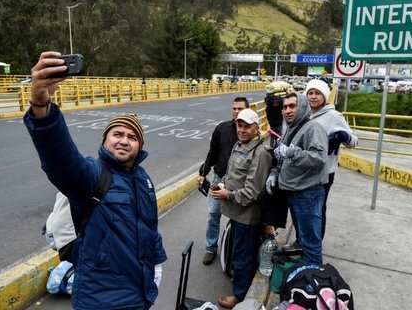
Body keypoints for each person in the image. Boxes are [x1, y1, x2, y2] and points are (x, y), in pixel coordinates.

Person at [24, 51, 166, 310]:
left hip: (140, 294)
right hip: (100, 299)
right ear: (104, 140)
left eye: (132, 137)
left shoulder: (143, 179)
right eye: (117, 133)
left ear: (140, 146)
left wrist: (156, 265)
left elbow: (150, 228)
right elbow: (60, 159)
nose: (124, 140)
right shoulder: (91, 174)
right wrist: (41, 106)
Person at [210, 108, 272, 309]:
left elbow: (253, 192)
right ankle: (240, 284)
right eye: (240, 125)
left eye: (247, 126)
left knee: (242, 255)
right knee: (237, 251)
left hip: (247, 216)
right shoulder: (239, 145)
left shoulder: (260, 153)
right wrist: (222, 185)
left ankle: (239, 295)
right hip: (235, 213)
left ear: (257, 129)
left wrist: (227, 194)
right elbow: (232, 174)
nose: (242, 130)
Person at [266, 92, 328, 265]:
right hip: (294, 192)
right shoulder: (291, 129)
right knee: (302, 235)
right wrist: (275, 173)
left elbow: (319, 157)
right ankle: (303, 261)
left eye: (292, 106)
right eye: (285, 107)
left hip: (308, 193)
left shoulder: (313, 128)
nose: (287, 111)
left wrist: (293, 153)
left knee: (311, 243)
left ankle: (314, 279)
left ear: (301, 107)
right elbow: (283, 158)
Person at [197, 97, 249, 265]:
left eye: (240, 108)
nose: (236, 111)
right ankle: (210, 248)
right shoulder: (222, 128)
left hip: (238, 184)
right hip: (218, 180)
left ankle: (232, 251)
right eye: (234, 108)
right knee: (213, 215)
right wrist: (203, 172)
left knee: (237, 220)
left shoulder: (249, 133)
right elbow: (212, 153)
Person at [306, 79, 358, 239]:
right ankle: (302, 243)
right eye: (310, 93)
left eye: (318, 93)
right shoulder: (304, 114)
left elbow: (354, 141)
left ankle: (315, 246)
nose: (313, 97)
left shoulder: (334, 116)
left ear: (325, 96)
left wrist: (344, 137)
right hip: (305, 171)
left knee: (318, 210)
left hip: (324, 173)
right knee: (304, 210)